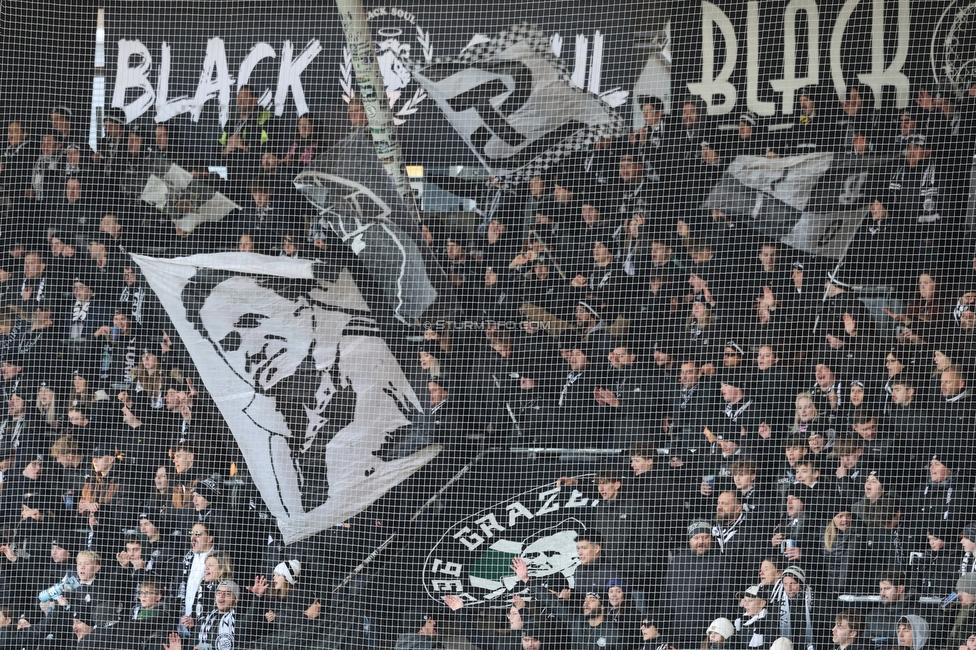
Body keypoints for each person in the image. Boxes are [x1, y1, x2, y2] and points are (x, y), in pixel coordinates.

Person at [182, 268, 439, 516]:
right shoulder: (271, 424)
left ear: (299, 307)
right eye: (230, 344)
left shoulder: (360, 344)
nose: (252, 350)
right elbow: (297, 512)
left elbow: (389, 429)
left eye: (252, 321)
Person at [163, 579, 241, 650]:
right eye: (219, 592)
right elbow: (194, 645)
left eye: (227, 594)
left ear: (235, 600)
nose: (221, 596)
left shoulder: (238, 622)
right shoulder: (204, 621)